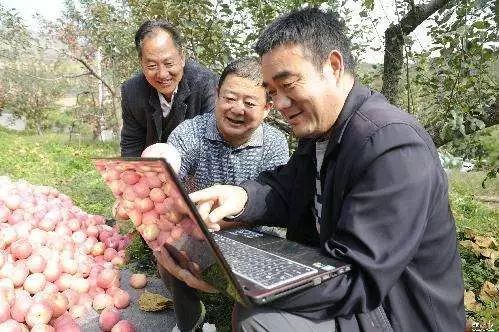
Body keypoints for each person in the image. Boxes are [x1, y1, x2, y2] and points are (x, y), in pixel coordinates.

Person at [156, 7, 465, 332]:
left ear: (332, 66)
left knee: (262, 320)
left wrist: (233, 276)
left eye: (287, 84)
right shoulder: (319, 131)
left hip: (393, 312)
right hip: (343, 282)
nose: (281, 104)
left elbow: (358, 279)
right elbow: (287, 191)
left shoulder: (393, 146)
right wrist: (239, 196)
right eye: (272, 92)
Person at [158, 57, 289, 332]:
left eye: (250, 103)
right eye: (229, 98)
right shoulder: (191, 132)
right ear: (217, 96)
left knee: (255, 306)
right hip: (196, 231)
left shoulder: (275, 143)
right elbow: (168, 179)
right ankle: (191, 319)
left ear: (267, 108)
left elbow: (273, 203)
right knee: (167, 250)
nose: (237, 109)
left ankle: (246, 318)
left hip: (254, 234)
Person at [120, 20, 218, 157]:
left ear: (182, 57)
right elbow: (131, 146)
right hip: (152, 170)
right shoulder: (131, 91)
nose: (162, 74)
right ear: (141, 63)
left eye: (169, 63)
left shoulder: (204, 83)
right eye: (152, 66)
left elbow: (214, 143)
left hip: (194, 171)